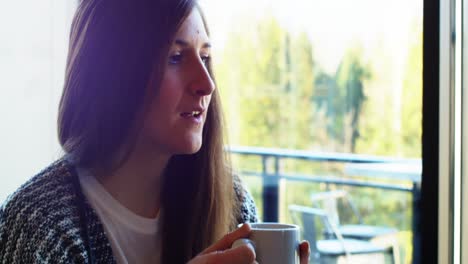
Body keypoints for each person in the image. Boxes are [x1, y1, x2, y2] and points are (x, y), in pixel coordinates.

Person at [0, 0, 310, 263]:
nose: (206, 84)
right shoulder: (39, 226)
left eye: (205, 57)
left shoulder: (233, 202)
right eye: (175, 57)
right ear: (117, 73)